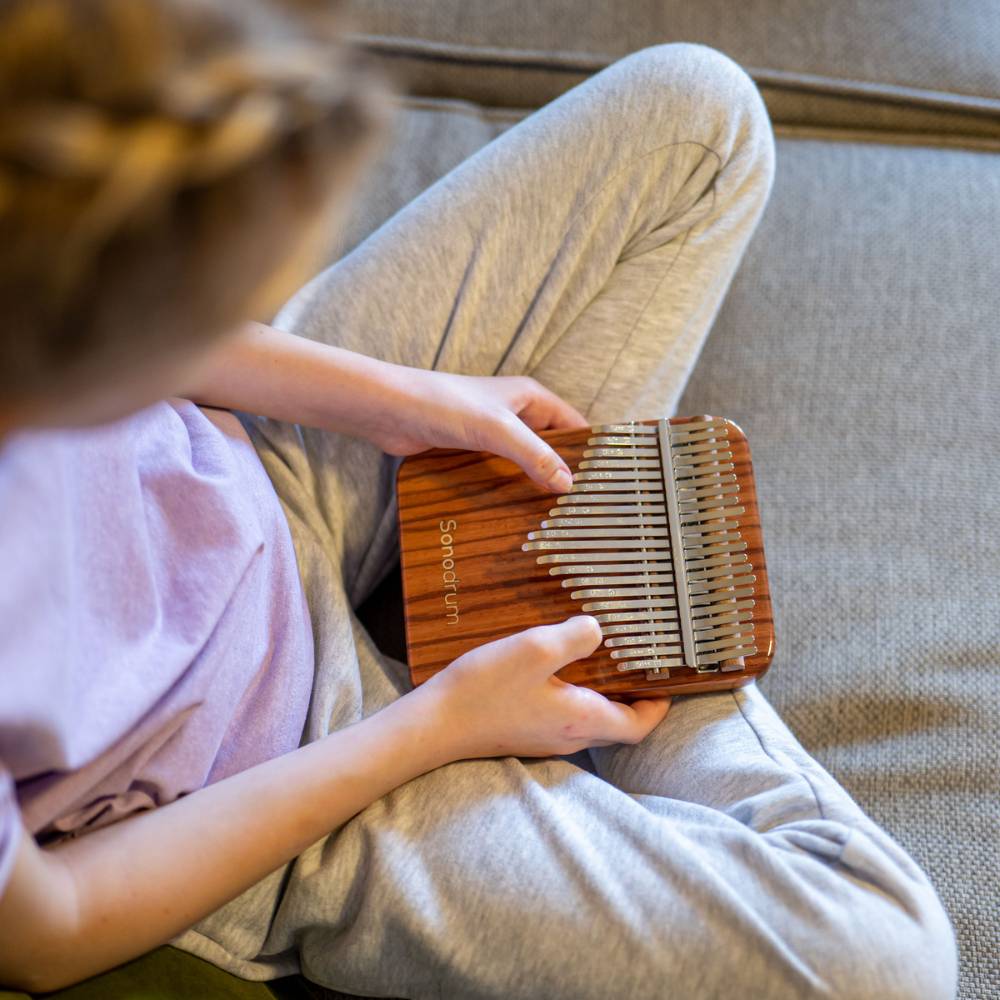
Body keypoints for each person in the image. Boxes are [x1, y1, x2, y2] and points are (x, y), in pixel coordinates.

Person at [0, 1, 958, 997]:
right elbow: (45, 930)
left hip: (274, 468)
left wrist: (407, 401)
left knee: (695, 119)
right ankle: (617, 621)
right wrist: (441, 723)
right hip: (282, 779)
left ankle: (590, 601)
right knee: (887, 959)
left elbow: (137, 317)